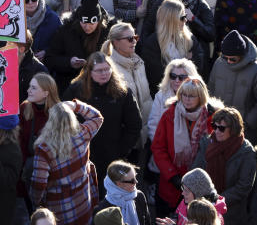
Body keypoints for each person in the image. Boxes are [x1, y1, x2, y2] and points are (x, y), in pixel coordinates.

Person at [62, 53, 140, 182]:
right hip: (81, 153)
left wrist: (121, 151)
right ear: (89, 72)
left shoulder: (122, 92)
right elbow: (64, 121)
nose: (104, 73)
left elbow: (134, 125)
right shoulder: (76, 90)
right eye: (99, 70)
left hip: (112, 153)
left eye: (107, 69)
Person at [152, 77, 218, 215]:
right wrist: (172, 176)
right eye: (184, 95)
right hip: (171, 183)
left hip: (199, 186)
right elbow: (158, 148)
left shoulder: (212, 118)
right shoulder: (169, 115)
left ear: (201, 97)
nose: (187, 99)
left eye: (192, 96)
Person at [192, 106, 257, 225]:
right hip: (203, 210)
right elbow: (196, 171)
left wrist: (216, 199)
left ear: (233, 130)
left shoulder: (247, 153)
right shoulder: (207, 143)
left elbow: (243, 187)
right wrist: (205, 199)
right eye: (214, 126)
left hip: (231, 213)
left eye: (221, 128)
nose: (216, 131)